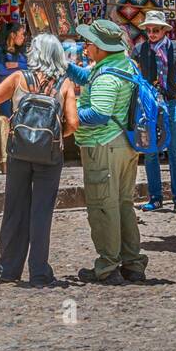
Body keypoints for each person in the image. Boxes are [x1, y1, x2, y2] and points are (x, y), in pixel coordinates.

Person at [0, 33, 78, 286]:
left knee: (14, 210)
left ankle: (8, 270)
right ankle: (39, 272)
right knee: (42, 213)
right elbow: (73, 123)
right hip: (50, 157)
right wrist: (54, 137)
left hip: (19, 153)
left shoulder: (19, 78)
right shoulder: (65, 85)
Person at [64, 20, 148, 285]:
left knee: (102, 207)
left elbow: (99, 113)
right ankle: (132, 263)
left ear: (100, 47)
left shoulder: (107, 77)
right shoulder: (123, 65)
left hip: (103, 146)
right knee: (123, 204)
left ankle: (108, 266)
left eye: (88, 43)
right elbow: (88, 77)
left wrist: (70, 112)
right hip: (125, 146)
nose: (85, 47)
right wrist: (64, 66)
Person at [132, 10, 176, 215]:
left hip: (170, 104)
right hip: (148, 106)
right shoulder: (139, 50)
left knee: (175, 152)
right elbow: (134, 78)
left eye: (155, 30)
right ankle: (156, 198)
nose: (151, 33)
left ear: (164, 30)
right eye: (148, 30)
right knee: (151, 152)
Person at [0, 21, 29, 117]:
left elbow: (31, 67)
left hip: (22, 90)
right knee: (8, 118)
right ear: (12, 34)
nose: (23, 37)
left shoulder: (21, 50)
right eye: (22, 34)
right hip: (6, 90)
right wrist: (22, 68)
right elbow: (2, 71)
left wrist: (17, 64)